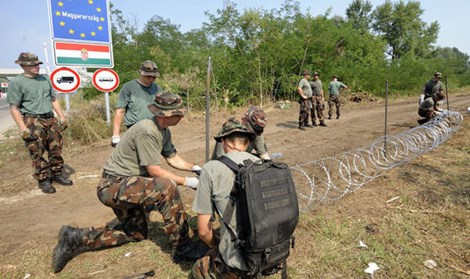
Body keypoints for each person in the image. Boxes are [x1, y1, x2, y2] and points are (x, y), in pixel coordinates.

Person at [51, 92, 207, 273]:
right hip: (113, 186)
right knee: (167, 187)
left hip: (128, 185)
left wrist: (195, 168)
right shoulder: (147, 131)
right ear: (167, 115)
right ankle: (183, 247)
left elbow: (172, 158)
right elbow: (154, 171)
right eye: (178, 113)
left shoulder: (162, 131)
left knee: (137, 235)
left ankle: (76, 237)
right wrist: (188, 182)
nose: (181, 116)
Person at [191, 117, 259, 278]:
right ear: (247, 143)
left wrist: (216, 245)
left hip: (237, 263)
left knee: (198, 269)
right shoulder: (260, 163)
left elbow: (203, 231)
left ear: (223, 141)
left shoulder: (211, 169)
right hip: (266, 251)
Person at [7, 52, 72, 194]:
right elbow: (14, 108)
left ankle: (56, 174)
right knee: (37, 150)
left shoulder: (45, 80)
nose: (37, 66)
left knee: (56, 147)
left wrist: (62, 117)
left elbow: (53, 100)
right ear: (23, 65)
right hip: (32, 120)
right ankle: (43, 180)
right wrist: (23, 128)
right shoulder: (17, 83)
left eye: (37, 64)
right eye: (33, 64)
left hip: (50, 118)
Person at [111, 60, 162, 147]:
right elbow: (120, 111)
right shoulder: (128, 88)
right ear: (141, 73)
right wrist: (116, 136)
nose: (151, 79)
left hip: (153, 127)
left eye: (154, 77)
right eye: (148, 76)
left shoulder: (157, 88)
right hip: (136, 127)